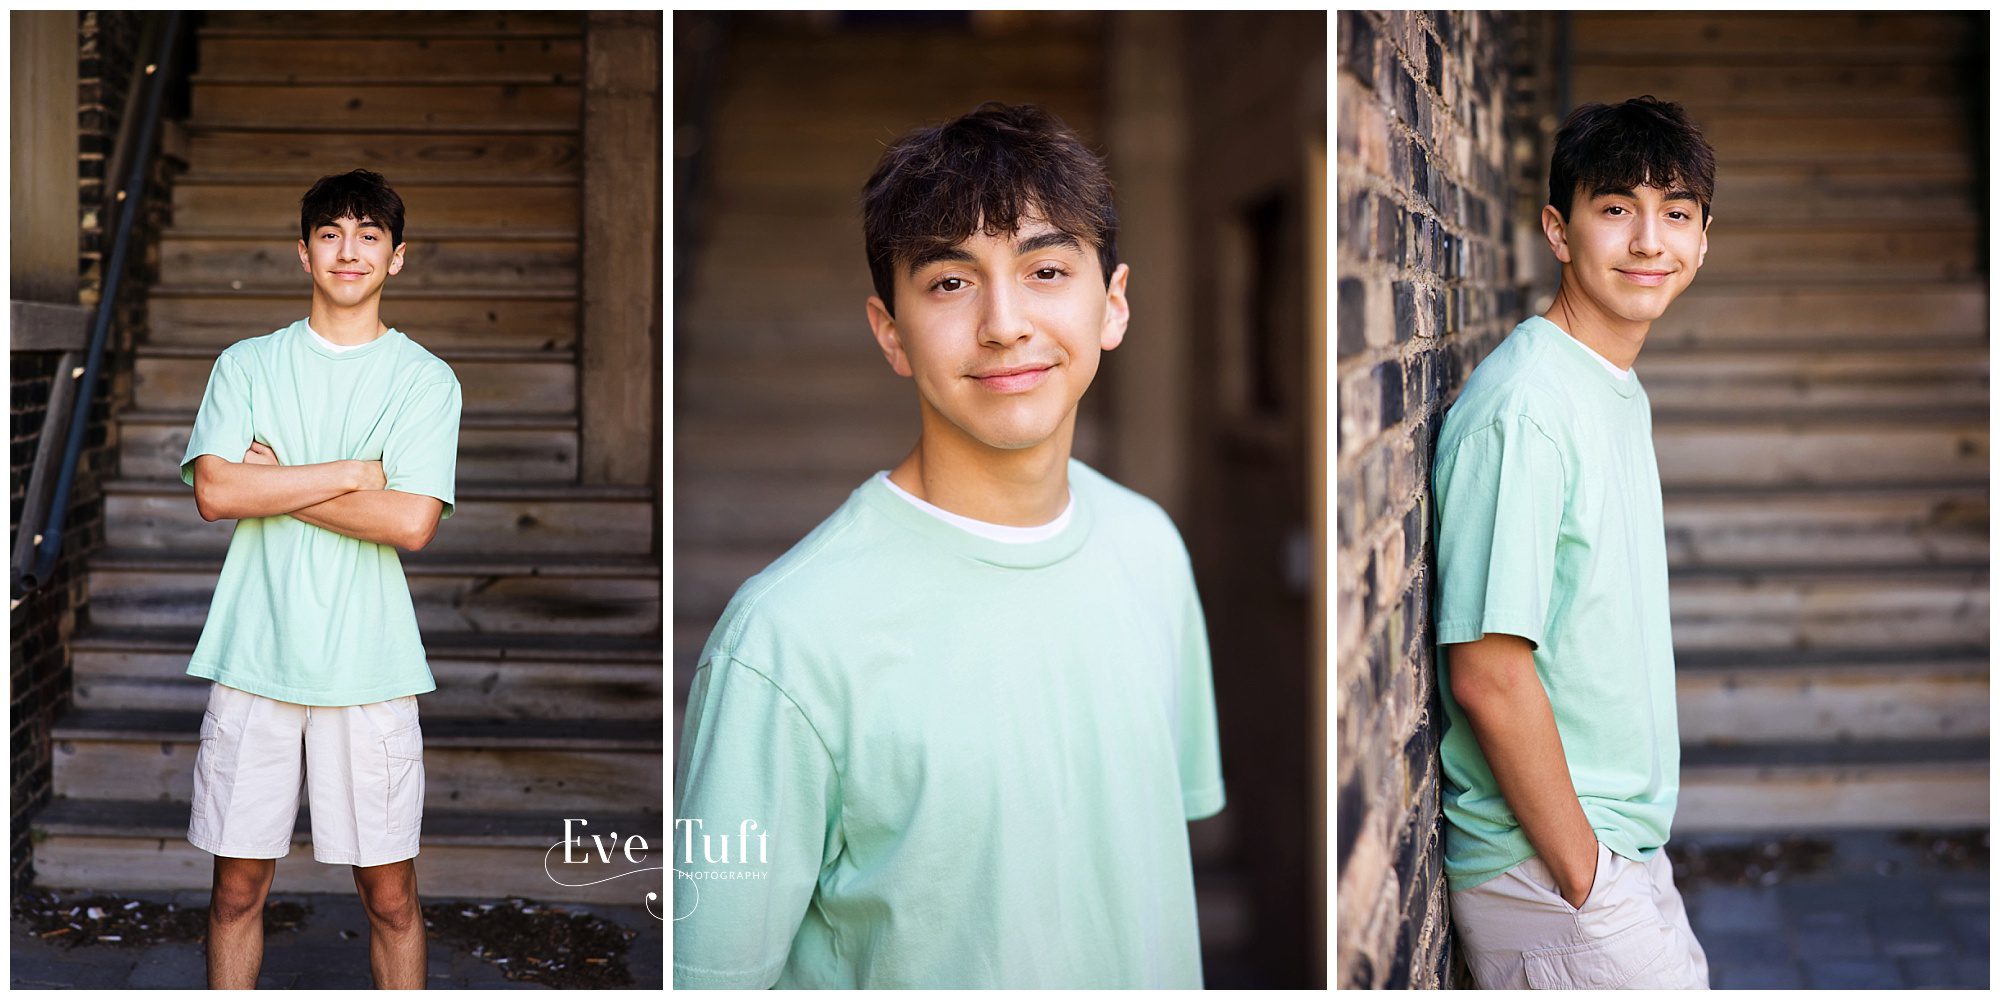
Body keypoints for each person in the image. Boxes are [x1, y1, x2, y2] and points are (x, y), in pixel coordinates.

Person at [671, 102, 1226, 988]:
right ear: (890, 331)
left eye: (1046, 268)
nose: (1005, 322)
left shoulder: (1149, 548)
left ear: (1112, 306)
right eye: (950, 283)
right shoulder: (784, 639)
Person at [1431, 96, 1714, 990]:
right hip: (1554, 871)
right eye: (1615, 207)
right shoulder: (1526, 407)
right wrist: (1585, 876)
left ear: (1703, 241)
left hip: (1614, 855)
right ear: (1559, 230)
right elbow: (1487, 668)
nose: (1648, 241)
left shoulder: (1609, 386)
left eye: (1676, 213)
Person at [180, 168, 462, 988]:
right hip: (254, 657)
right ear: (304, 253)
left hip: (368, 667)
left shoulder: (424, 380)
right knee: (235, 891)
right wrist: (351, 475)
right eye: (332, 235)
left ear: (396, 258)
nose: (350, 251)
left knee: (391, 896)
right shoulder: (246, 364)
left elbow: (411, 523)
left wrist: (280, 482)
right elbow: (216, 492)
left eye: (369, 235)